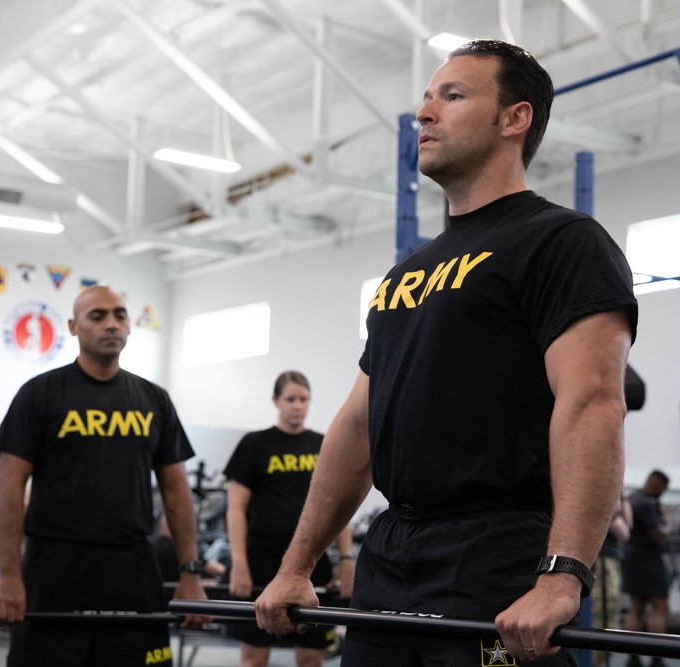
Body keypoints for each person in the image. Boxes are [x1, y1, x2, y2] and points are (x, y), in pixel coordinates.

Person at [254, 39, 638, 666]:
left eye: (452, 96)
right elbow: (356, 425)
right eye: (426, 99)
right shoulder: (407, 273)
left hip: (495, 550)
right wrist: (297, 565)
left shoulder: (561, 241)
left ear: (514, 119)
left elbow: (592, 400)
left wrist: (562, 575)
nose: (424, 113)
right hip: (392, 550)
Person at [0, 285, 208, 667]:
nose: (112, 324)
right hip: (56, 566)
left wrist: (190, 571)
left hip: (133, 567)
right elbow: (9, 489)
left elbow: (175, 490)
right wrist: (8, 576)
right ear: (73, 326)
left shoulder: (154, 399)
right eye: (98, 316)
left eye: (120, 315)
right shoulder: (39, 395)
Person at [224, 370, 355, 667]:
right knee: (254, 658)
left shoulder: (324, 444)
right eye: (290, 399)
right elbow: (235, 509)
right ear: (275, 400)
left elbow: (338, 505)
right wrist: (239, 564)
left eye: (304, 399)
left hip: (313, 563)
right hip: (261, 562)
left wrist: (346, 559)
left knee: (310, 659)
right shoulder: (254, 444)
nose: (298, 405)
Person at [621, 470, 670, 667]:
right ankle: (657, 658)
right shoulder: (648, 503)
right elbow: (657, 534)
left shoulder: (632, 499)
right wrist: (666, 521)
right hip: (649, 558)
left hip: (631, 558)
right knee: (660, 607)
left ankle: (633, 658)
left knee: (636, 608)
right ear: (658, 485)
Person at [591, 494, 632, 667]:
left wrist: (624, 497)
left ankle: (602, 659)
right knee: (601, 610)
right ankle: (595, 660)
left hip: (610, 560)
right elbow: (623, 530)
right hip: (601, 561)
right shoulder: (601, 502)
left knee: (610, 610)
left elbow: (627, 528)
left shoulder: (618, 501)